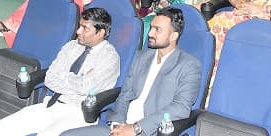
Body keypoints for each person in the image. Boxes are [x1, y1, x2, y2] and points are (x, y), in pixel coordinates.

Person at [63, 8, 202, 136]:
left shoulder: (189, 65)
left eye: (157, 30)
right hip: (121, 127)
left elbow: (180, 108)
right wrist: (118, 123)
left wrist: (136, 127)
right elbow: (125, 94)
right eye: (151, 28)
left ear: (173, 36)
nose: (150, 33)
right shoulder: (141, 57)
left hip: (148, 130)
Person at [0, 7, 121, 136]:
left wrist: (64, 77)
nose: (78, 31)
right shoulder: (71, 46)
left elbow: (86, 87)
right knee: (3, 127)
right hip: (53, 104)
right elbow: (49, 78)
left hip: (79, 112)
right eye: (79, 26)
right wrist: (75, 80)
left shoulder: (109, 57)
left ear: (101, 33)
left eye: (85, 28)